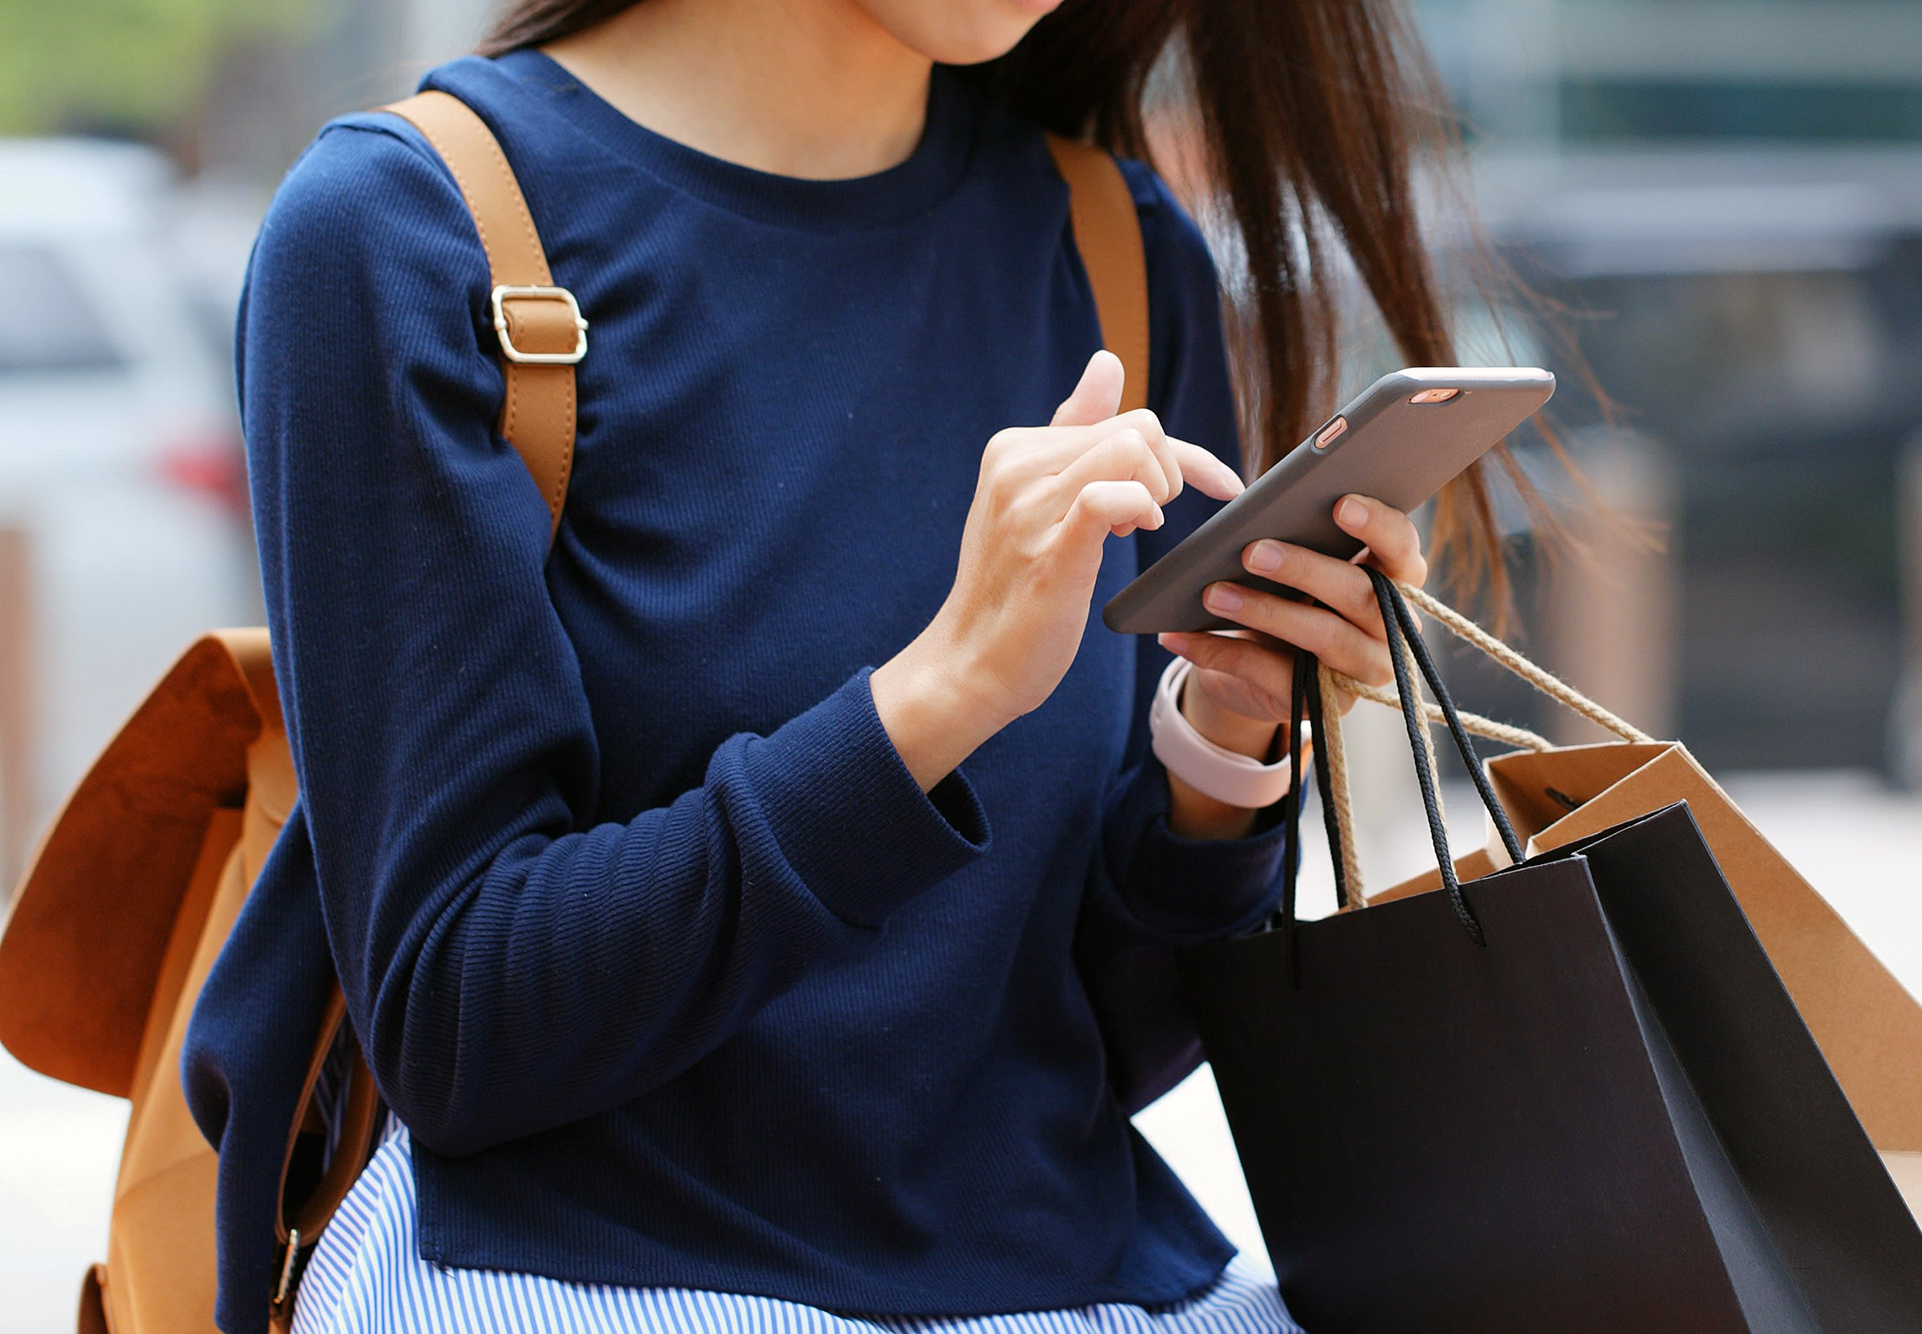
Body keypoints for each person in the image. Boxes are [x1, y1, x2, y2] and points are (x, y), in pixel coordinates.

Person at [186, 0, 1518, 1330]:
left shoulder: (1114, 248)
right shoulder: (413, 230)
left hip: (1087, 1284)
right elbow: (458, 1022)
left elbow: (1092, 1047)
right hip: (592, 1283)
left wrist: (1223, 747)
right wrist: (936, 698)